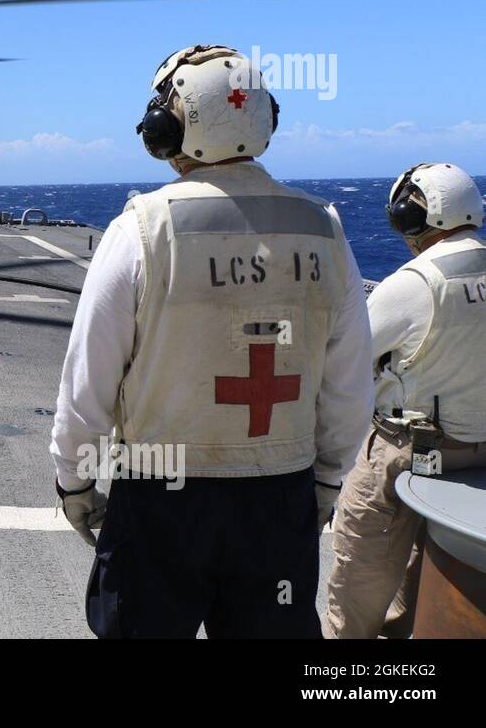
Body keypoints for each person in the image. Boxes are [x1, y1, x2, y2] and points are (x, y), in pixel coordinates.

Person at [51, 44, 373, 638]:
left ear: (170, 128)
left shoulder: (142, 230)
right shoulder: (325, 229)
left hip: (159, 494)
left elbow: (87, 381)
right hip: (280, 499)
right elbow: (351, 385)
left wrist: (74, 480)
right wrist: (326, 482)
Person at [324, 162, 486, 638]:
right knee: (429, 579)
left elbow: (347, 356)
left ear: (415, 218)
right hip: (475, 458)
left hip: (407, 452)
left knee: (360, 577)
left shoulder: (417, 282)